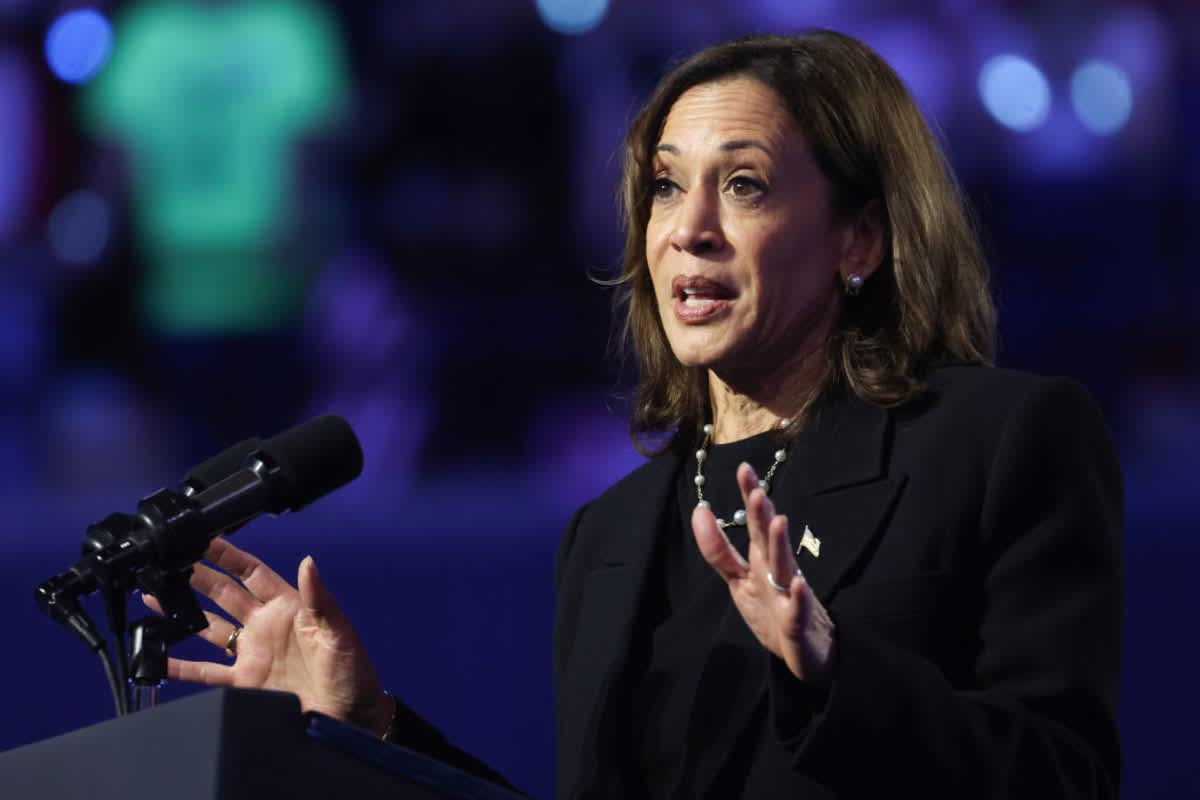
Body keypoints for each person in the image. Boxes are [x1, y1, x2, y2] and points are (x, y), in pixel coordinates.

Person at [145, 30, 1123, 798]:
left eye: (742, 184)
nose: (688, 227)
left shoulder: (1001, 440)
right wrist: (374, 728)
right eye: (664, 185)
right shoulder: (611, 535)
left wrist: (833, 675)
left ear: (858, 239)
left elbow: (1061, 778)